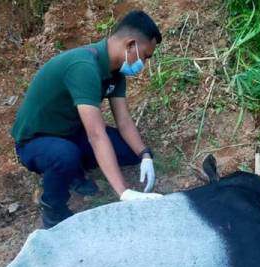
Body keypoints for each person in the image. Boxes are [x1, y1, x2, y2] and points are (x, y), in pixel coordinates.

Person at [11, 10, 163, 228]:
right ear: (130, 45)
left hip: (71, 132)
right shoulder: (84, 67)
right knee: (64, 155)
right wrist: (124, 192)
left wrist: (145, 155)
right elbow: (96, 134)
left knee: (129, 151)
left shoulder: (116, 71)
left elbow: (124, 121)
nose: (144, 64)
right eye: (145, 56)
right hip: (35, 141)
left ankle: (74, 169)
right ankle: (53, 206)